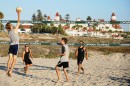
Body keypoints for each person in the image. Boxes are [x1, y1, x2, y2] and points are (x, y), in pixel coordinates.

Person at [6, 9, 21, 77]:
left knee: (10, 59)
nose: (12, 25)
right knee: (14, 60)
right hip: (15, 46)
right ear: (11, 26)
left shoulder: (8, 32)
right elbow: (18, 21)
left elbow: (15, 36)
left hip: (11, 45)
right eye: (11, 24)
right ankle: (11, 71)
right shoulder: (14, 30)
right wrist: (18, 13)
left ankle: (7, 70)